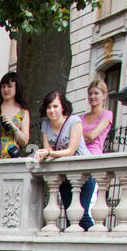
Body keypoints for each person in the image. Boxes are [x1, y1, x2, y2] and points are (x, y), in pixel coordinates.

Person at [34, 91, 90, 230]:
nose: (51, 110)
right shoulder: (46, 125)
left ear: (63, 107)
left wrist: (48, 152)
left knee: (81, 215)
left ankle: (97, 243)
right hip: (65, 177)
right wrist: (45, 153)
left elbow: (70, 151)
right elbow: (48, 151)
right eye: (48, 107)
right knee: (71, 216)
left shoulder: (74, 121)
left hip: (84, 174)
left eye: (55, 106)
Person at [77, 79, 115, 229]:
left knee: (88, 205)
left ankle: (92, 232)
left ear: (104, 95)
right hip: (78, 159)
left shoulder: (107, 114)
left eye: (96, 93)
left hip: (93, 160)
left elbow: (93, 135)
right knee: (76, 205)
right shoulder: (81, 118)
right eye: (90, 93)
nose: (93, 97)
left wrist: (78, 137)